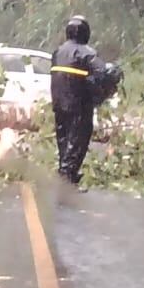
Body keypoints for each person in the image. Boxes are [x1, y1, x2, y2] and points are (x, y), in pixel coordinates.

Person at [50, 15, 106, 185]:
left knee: (63, 140)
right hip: (79, 105)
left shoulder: (57, 52)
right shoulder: (87, 53)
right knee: (77, 141)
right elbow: (103, 72)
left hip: (59, 104)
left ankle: (65, 172)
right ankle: (66, 178)